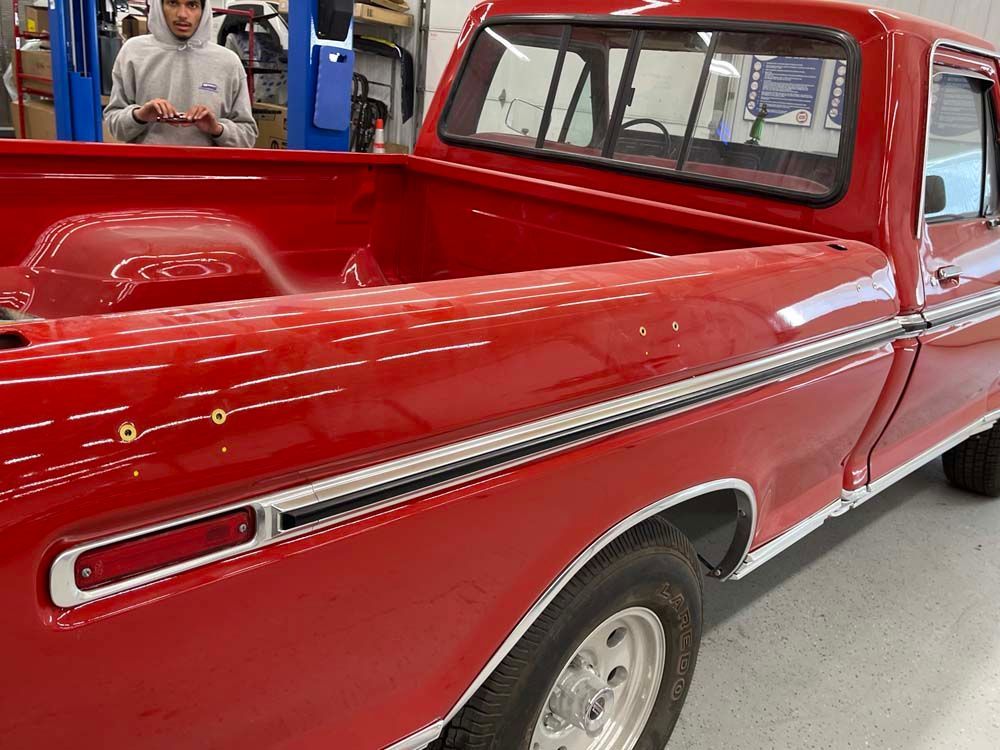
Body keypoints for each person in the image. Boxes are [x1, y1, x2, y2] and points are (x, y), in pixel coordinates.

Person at [104, 0, 257, 147]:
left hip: (207, 171)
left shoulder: (228, 62)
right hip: (149, 170)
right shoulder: (133, 53)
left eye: (192, 4)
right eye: (173, 3)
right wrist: (139, 115)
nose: (183, 14)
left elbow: (248, 135)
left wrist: (216, 129)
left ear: (203, 10)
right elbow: (114, 124)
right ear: (159, 5)